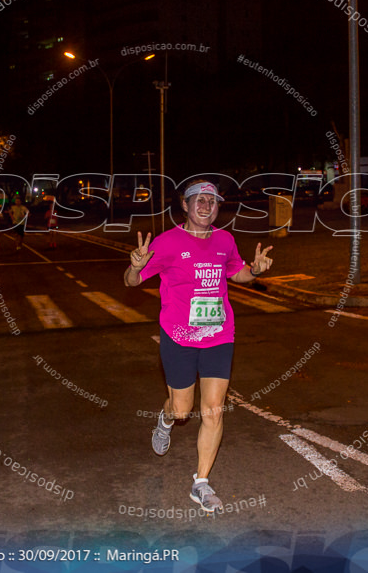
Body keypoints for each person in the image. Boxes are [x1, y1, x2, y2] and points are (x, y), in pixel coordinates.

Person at [124, 179, 273, 512]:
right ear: (185, 206)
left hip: (219, 335)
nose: (206, 205)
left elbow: (237, 274)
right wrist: (134, 268)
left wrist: (254, 270)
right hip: (179, 337)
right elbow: (132, 282)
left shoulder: (225, 240)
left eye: (212, 201)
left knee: (214, 410)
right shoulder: (167, 243)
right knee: (181, 411)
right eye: (199, 200)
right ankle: (164, 421)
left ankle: (201, 483)